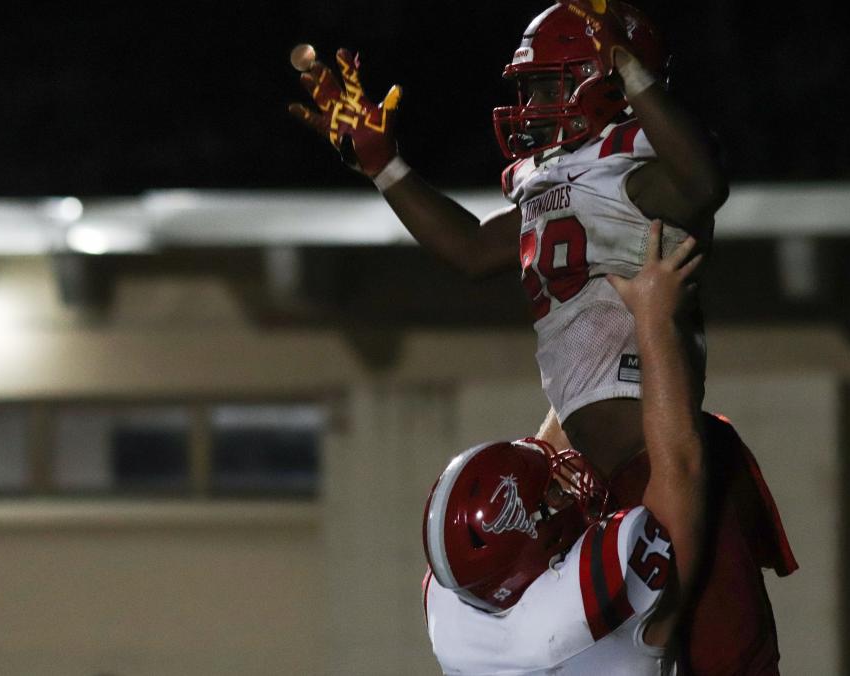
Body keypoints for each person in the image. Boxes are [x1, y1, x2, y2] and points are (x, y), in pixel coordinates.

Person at [289, 0, 728, 477]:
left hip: (661, 462)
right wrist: (385, 167)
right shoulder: (562, 179)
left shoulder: (642, 167)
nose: (529, 107)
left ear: (608, 77)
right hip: (602, 471)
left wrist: (634, 76)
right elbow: (471, 249)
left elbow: (702, 186)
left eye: (545, 86)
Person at [423, 222, 709, 674]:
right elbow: (683, 471)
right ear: (535, 545)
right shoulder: (576, 617)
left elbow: (544, 454)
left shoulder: (460, 604)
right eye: (552, 492)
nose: (563, 480)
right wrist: (654, 318)